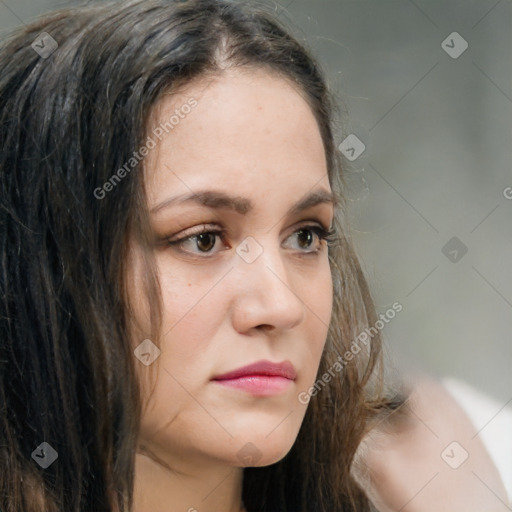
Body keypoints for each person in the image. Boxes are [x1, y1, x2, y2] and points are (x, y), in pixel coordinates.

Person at [0, 1, 508, 511]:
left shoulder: (467, 468)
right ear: (44, 271)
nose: (281, 305)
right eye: (202, 239)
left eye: (306, 236)